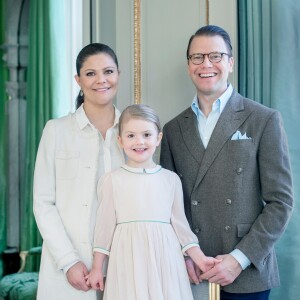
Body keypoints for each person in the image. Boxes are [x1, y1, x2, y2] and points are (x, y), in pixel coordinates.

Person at [160, 25, 294, 300]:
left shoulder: (263, 119)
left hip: (246, 273)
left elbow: (281, 202)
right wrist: (185, 254)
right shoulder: (173, 129)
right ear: (188, 66)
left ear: (230, 63)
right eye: (197, 57)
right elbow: (168, 205)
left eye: (216, 56)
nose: (206, 64)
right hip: (190, 272)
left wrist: (239, 258)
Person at [86, 104, 220, 300]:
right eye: (131, 136)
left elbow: (181, 226)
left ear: (158, 138)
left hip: (165, 259)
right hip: (128, 258)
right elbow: (104, 228)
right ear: (120, 140)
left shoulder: (170, 179)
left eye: (147, 135)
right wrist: (97, 268)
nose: (139, 142)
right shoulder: (112, 180)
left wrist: (200, 258)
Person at [33, 43, 125, 300]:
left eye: (108, 71)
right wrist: (68, 261)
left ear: (119, 74)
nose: (101, 80)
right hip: (69, 267)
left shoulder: (134, 133)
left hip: (124, 263)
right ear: (78, 80)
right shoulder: (56, 131)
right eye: (90, 73)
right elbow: (43, 203)